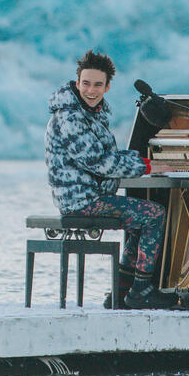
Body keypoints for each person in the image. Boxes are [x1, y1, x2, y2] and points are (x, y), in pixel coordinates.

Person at [44, 50, 174, 310]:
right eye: (86, 83)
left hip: (88, 196)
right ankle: (141, 290)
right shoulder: (70, 117)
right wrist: (147, 164)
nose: (91, 90)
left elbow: (107, 156)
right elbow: (99, 162)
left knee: (141, 215)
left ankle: (121, 290)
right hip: (81, 200)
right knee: (154, 214)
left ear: (107, 86)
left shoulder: (87, 114)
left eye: (98, 85)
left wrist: (141, 161)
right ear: (77, 82)